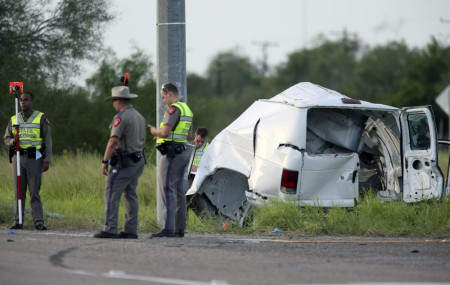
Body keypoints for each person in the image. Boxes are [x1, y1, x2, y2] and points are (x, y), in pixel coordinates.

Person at [94, 86, 147, 239]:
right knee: (130, 194)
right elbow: (143, 140)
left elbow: (113, 140)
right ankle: (130, 230)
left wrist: (105, 160)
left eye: (113, 101)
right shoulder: (139, 116)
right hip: (138, 160)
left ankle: (110, 228)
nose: (113, 105)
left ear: (118, 101)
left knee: (111, 191)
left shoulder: (121, 117)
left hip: (125, 161)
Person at [148, 83, 193, 238]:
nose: (163, 101)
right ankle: (179, 228)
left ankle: (168, 228)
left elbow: (166, 132)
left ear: (168, 93)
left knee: (167, 188)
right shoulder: (187, 109)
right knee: (179, 189)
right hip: (184, 151)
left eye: (163, 97)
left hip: (172, 154)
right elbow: (189, 135)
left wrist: (154, 131)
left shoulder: (173, 109)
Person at [4, 91, 52, 230]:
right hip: (18, 156)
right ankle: (17, 221)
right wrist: (14, 140)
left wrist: (46, 160)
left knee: (34, 191)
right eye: (21, 100)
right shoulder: (14, 119)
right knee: (18, 191)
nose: (22, 103)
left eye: (26, 100)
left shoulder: (41, 118)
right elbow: (6, 139)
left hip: (35, 156)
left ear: (32, 102)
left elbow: (48, 140)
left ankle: (38, 222)